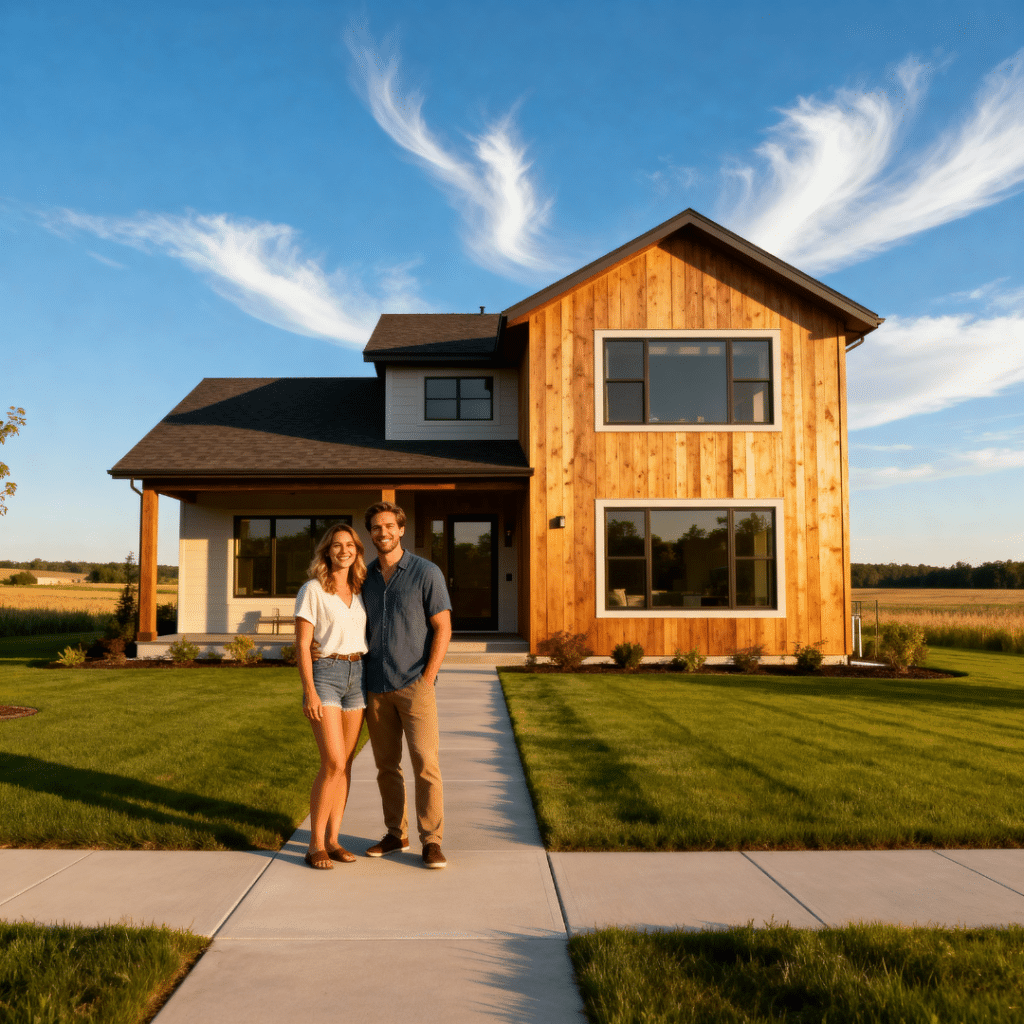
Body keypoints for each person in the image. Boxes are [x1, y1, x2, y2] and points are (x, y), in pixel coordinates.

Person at [361, 501, 452, 869]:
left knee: (425, 764)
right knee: (386, 766)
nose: (383, 533)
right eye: (376, 528)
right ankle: (395, 834)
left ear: (400, 529)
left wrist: (428, 678)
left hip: (415, 685)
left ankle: (432, 840)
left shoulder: (426, 573)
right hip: (376, 684)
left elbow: (443, 627)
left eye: (389, 526)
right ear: (371, 534)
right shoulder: (363, 577)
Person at [294, 523, 368, 870]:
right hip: (327, 675)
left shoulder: (360, 589)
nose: (344, 550)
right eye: (337, 545)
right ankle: (314, 845)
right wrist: (309, 689)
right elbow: (302, 644)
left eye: (350, 545)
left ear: (357, 551)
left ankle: (334, 839)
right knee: (333, 762)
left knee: (346, 764)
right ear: (327, 551)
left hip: (358, 676)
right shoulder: (313, 590)